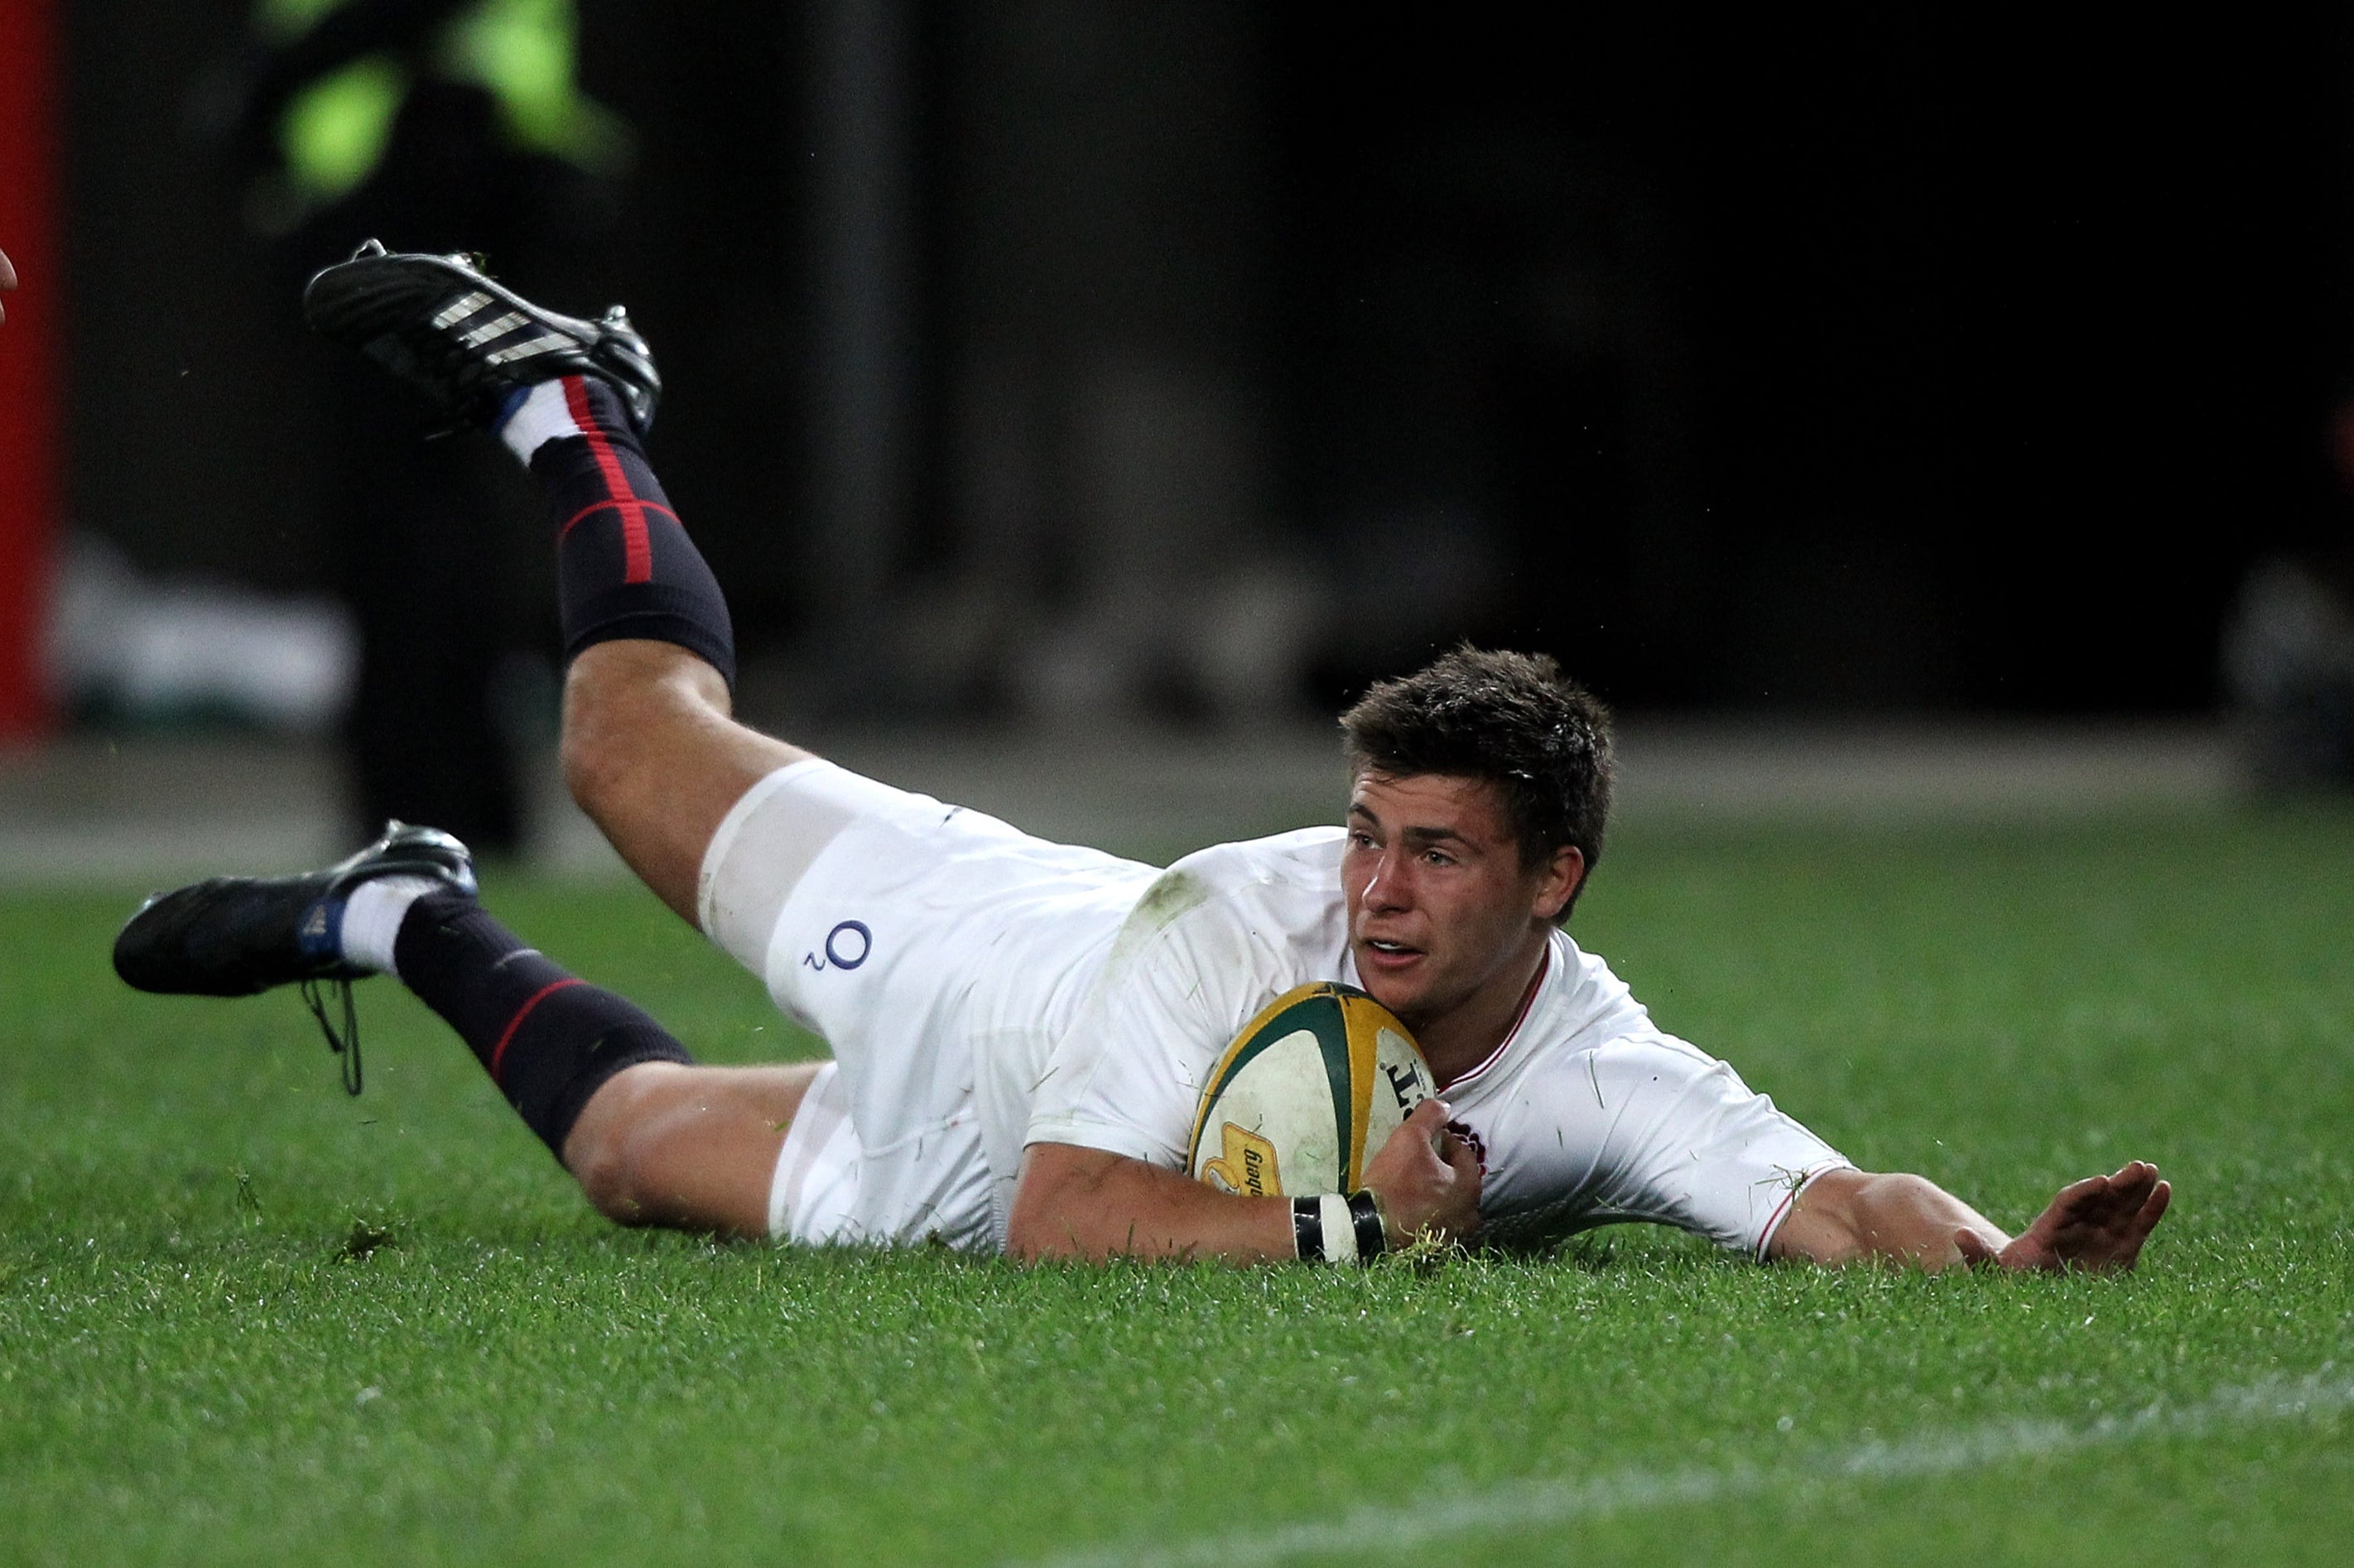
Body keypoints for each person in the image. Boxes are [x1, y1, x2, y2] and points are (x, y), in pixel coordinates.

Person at [115, 242, 2172, 1272]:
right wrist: (1367, 1234)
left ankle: (401, 911)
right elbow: (1079, 1211)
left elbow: (1821, 1195)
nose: (1373, 886)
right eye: (1371, 834)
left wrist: (2001, 1257)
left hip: (964, 1153)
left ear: (1554, 882)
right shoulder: (1237, 916)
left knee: (623, 1147)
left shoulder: (1597, 1071)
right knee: (620, 733)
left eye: (1438, 858)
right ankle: (575, 401)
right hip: (979, 955)